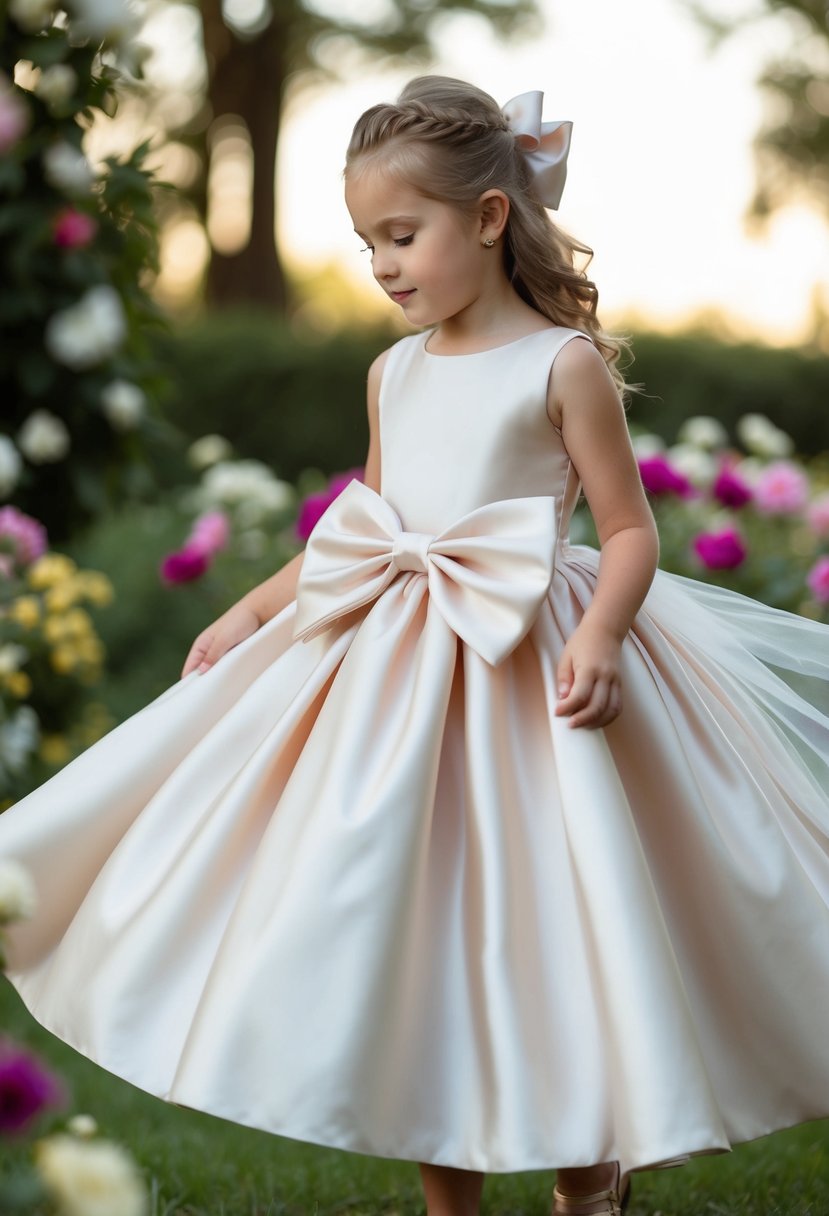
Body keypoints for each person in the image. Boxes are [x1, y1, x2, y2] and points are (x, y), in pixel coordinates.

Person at [2, 75, 829, 1216]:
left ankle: (590, 1171)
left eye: (401, 235)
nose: (382, 265)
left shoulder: (562, 364)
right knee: (425, 940)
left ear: (488, 219)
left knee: (551, 927)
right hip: (396, 685)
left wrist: (598, 632)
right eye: (365, 244)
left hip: (528, 678)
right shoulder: (391, 370)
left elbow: (630, 529)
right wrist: (252, 612)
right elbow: (369, 520)